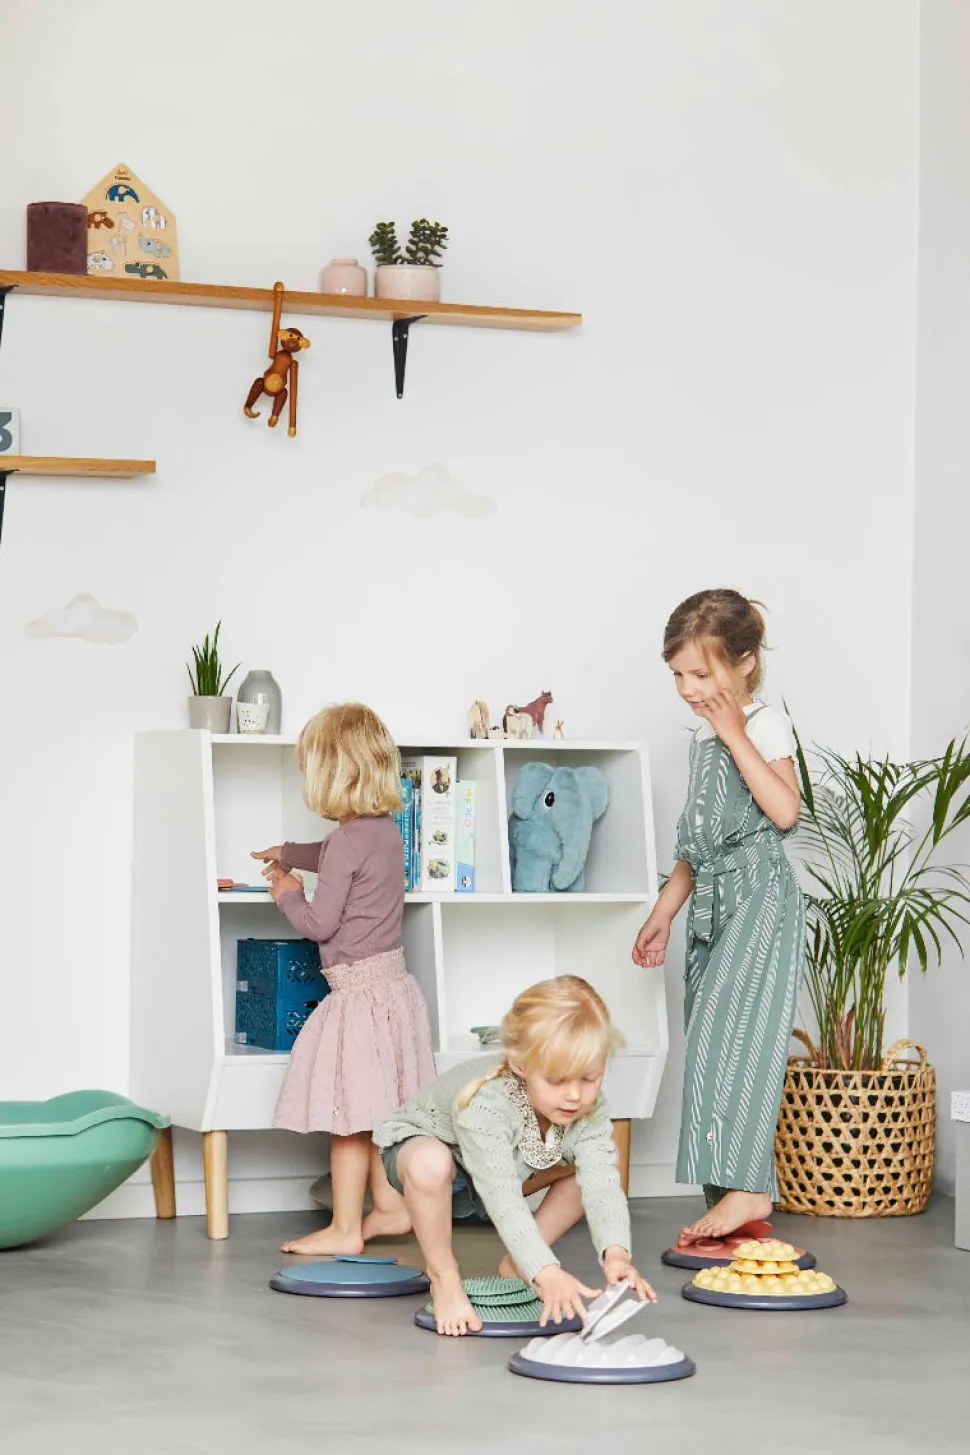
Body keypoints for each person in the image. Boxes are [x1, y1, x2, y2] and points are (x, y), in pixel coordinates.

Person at [632, 589, 805, 1245]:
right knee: (706, 1044)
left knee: (739, 1043)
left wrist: (735, 734)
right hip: (711, 903)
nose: (687, 689)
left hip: (758, 898)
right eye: (678, 674)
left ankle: (750, 1185)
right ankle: (730, 1197)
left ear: (745, 662)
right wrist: (662, 914)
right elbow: (697, 845)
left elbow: (784, 812)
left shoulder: (761, 725)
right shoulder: (701, 738)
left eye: (701, 674)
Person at [374, 975, 656, 1337]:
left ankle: (518, 1267)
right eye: (557, 1080)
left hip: (498, 1169)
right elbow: (503, 1198)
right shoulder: (488, 1103)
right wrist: (547, 1271)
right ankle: (444, 1277)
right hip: (433, 1164)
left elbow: (602, 1183)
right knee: (430, 1162)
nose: (575, 1096)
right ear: (521, 1064)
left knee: (584, 1173)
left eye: (589, 1078)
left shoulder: (588, 1110)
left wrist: (616, 1254)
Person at [252, 702, 435, 1256]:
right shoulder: (383, 833)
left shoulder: (346, 843)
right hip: (393, 988)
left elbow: (318, 923)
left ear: (331, 774)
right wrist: (289, 852)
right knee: (380, 1112)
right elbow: (335, 856)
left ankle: (345, 1228)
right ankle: (391, 1208)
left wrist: (287, 892)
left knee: (348, 1119)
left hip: (356, 996)